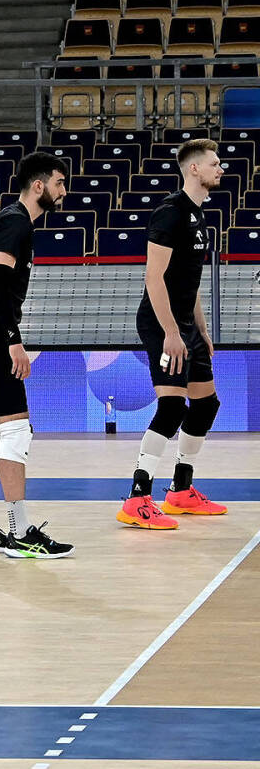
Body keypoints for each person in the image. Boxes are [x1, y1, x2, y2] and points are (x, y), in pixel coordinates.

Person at [0, 152, 73, 560]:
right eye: (59, 183)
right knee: (16, 429)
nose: (63, 191)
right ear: (39, 186)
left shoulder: (14, 221)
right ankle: (20, 533)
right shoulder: (15, 222)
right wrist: (12, 339)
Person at [116, 138, 227, 529]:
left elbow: (189, 282)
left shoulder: (199, 216)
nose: (220, 169)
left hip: (186, 326)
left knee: (206, 405)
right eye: (214, 163)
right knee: (172, 407)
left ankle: (181, 490)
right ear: (194, 169)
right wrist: (171, 332)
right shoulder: (170, 213)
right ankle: (137, 498)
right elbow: (154, 278)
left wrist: (201, 329)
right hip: (160, 324)